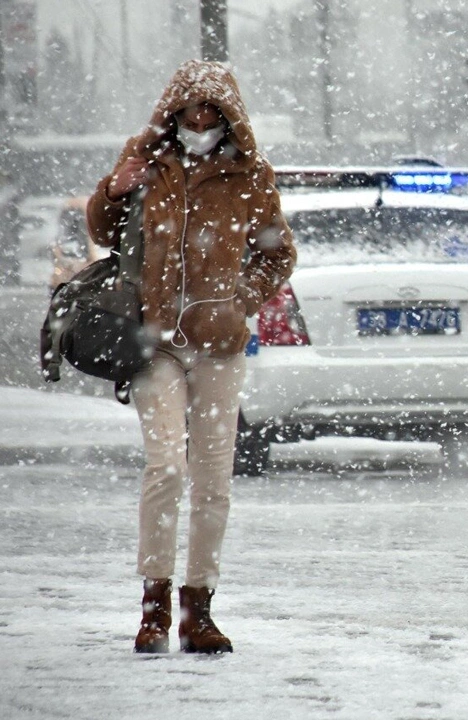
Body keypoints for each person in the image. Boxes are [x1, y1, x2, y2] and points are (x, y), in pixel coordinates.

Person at [86, 60, 295, 654]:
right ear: (172, 112)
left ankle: (197, 611)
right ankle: (152, 607)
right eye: (190, 110)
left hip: (220, 346)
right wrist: (114, 190)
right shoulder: (148, 161)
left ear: (229, 117)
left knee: (212, 481)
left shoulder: (250, 175)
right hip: (154, 343)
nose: (200, 121)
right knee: (166, 468)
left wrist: (240, 302)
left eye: (212, 112)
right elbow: (103, 232)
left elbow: (277, 255)